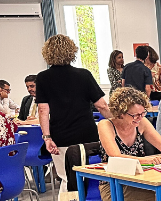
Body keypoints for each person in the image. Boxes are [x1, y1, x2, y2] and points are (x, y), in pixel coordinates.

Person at [38, 34, 112, 189]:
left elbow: (43, 110)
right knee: (89, 176)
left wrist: (47, 138)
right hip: (86, 135)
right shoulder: (84, 75)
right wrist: (119, 122)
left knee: (66, 178)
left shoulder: (43, 78)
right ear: (71, 51)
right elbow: (102, 106)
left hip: (60, 135)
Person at [97, 87, 161, 201]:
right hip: (113, 186)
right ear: (120, 112)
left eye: (142, 113)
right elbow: (115, 156)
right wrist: (150, 160)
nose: (139, 118)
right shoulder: (106, 125)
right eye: (135, 115)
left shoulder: (141, 122)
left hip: (140, 180)